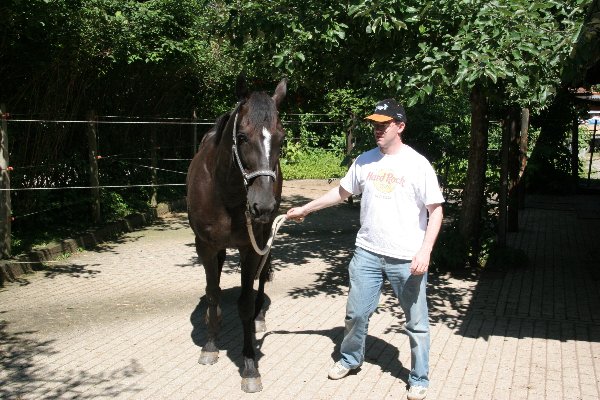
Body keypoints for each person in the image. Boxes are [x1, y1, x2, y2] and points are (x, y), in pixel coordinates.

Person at [286, 99, 444, 400]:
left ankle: (419, 377)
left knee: (416, 322)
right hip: (367, 253)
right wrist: (306, 209)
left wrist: (425, 252)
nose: (377, 129)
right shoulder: (364, 160)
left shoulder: (418, 164)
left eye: (384, 124)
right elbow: (341, 192)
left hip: (406, 258)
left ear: (400, 126)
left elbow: (435, 211)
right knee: (356, 313)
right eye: (374, 124)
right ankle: (350, 359)